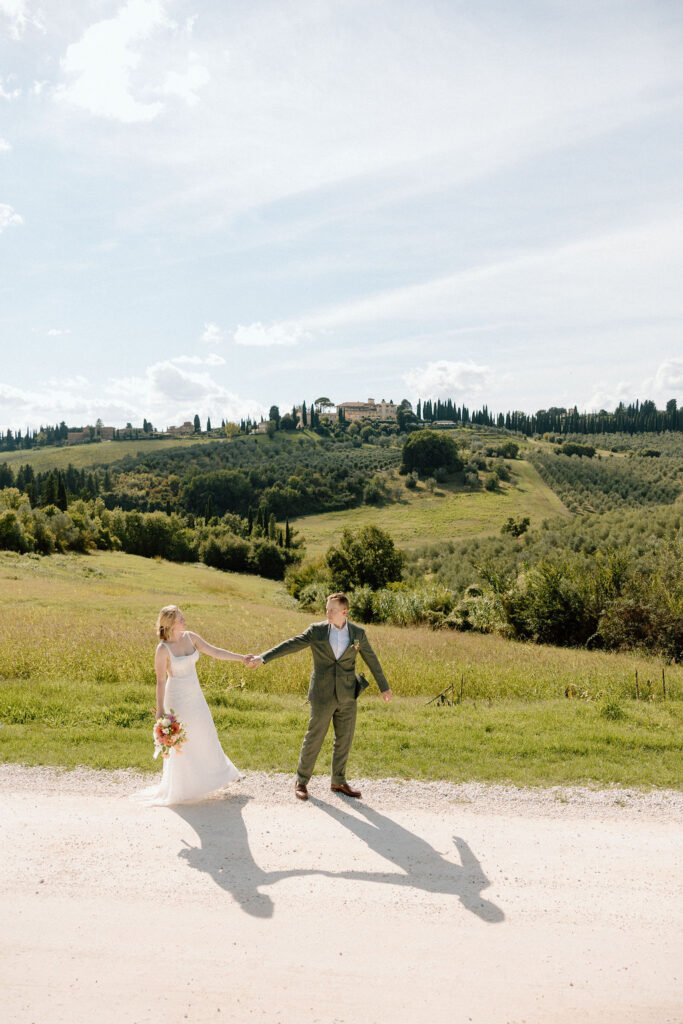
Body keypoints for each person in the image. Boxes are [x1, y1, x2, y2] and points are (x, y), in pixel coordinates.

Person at [248, 592, 391, 801]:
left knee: (344, 739)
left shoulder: (358, 634)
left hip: (348, 695)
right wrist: (263, 657)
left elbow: (372, 659)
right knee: (314, 738)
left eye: (332, 610)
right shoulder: (317, 630)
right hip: (322, 694)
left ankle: (338, 781)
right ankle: (301, 781)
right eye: (326, 609)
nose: (328, 613)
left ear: (344, 611)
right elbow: (291, 644)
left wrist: (384, 687)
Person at [133, 605, 246, 806]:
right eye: (180, 618)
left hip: (195, 695)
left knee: (206, 731)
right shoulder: (162, 649)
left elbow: (215, 652)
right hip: (177, 699)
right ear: (169, 623)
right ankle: (184, 786)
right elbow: (160, 681)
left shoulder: (191, 637)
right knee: (183, 740)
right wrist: (160, 710)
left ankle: (220, 775)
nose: (184, 620)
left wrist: (242, 658)